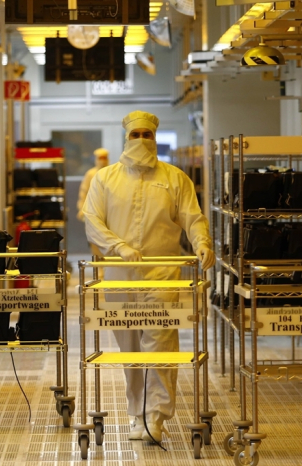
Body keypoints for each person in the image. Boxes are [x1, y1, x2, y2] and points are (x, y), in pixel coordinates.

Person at [82, 110, 215, 443]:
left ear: (155, 138)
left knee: (160, 344)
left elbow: (193, 217)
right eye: (135, 135)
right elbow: (92, 221)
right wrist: (119, 246)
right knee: (129, 349)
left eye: (147, 135)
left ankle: (155, 416)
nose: (141, 140)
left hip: (162, 273)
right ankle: (136, 414)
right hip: (119, 274)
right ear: (125, 137)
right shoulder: (105, 178)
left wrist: (203, 243)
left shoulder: (174, 178)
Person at [76, 148, 109, 222]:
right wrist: (81, 209)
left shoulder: (112, 173)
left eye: (104, 158)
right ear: (96, 159)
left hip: (109, 210)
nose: (103, 161)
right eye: (100, 158)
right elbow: (83, 192)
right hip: (93, 209)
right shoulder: (91, 174)